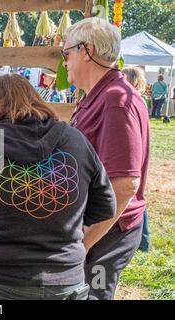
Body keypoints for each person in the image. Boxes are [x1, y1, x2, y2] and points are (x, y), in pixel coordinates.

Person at [0, 74, 116, 300]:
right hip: (65, 281)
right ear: (36, 100)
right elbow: (105, 206)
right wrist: (60, 218)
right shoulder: (75, 139)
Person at [63, 17, 150, 300]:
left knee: (91, 296)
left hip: (106, 233)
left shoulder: (115, 101)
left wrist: (85, 242)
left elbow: (124, 185)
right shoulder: (99, 95)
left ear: (86, 51)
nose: (64, 62)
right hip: (95, 226)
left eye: (67, 53)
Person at [122, 66, 150, 253]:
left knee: (134, 196)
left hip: (135, 152)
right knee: (137, 195)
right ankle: (143, 240)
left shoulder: (133, 101)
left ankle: (143, 239)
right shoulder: (139, 100)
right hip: (138, 151)